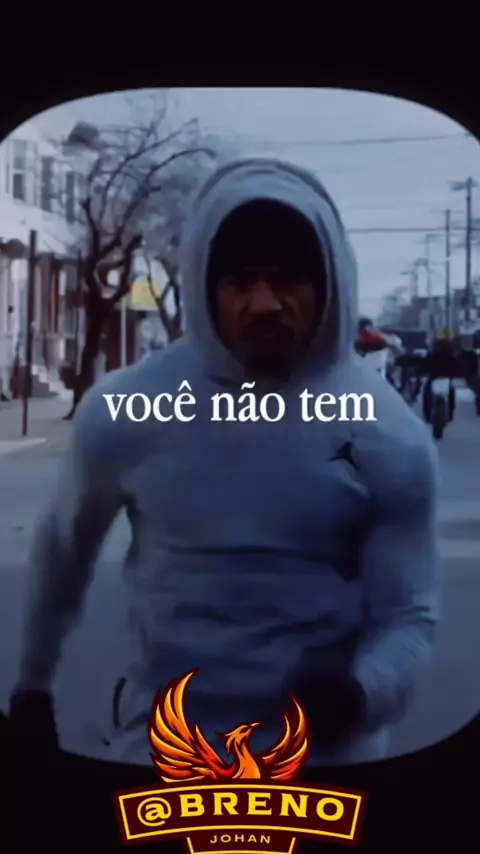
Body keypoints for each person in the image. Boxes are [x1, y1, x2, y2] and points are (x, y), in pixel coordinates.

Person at [9, 158, 440, 771]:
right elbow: (63, 553)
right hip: (160, 756)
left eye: (288, 279)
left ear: (328, 284)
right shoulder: (126, 411)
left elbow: (410, 613)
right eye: (240, 281)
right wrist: (31, 688)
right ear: (206, 287)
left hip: (325, 769)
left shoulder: (388, 434)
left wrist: (360, 693)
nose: (264, 304)